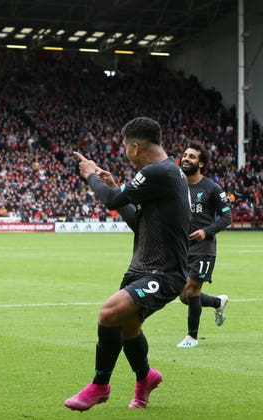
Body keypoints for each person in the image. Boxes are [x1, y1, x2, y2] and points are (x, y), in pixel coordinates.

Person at [65, 117, 191, 411]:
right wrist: (115, 189)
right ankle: (146, 377)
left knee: (109, 313)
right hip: (144, 267)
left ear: (135, 147)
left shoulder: (159, 171)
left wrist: (91, 175)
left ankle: (99, 386)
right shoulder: (166, 174)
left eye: (124, 146)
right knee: (129, 326)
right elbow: (139, 221)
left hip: (164, 272)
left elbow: (110, 199)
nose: (124, 152)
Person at [176, 142, 232, 348]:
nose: (186, 158)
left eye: (191, 156)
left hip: (204, 249)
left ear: (200, 163)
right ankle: (218, 302)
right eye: (185, 155)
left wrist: (205, 231)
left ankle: (191, 337)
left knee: (191, 290)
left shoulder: (212, 188)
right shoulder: (177, 184)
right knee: (184, 296)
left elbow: (227, 217)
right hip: (182, 248)